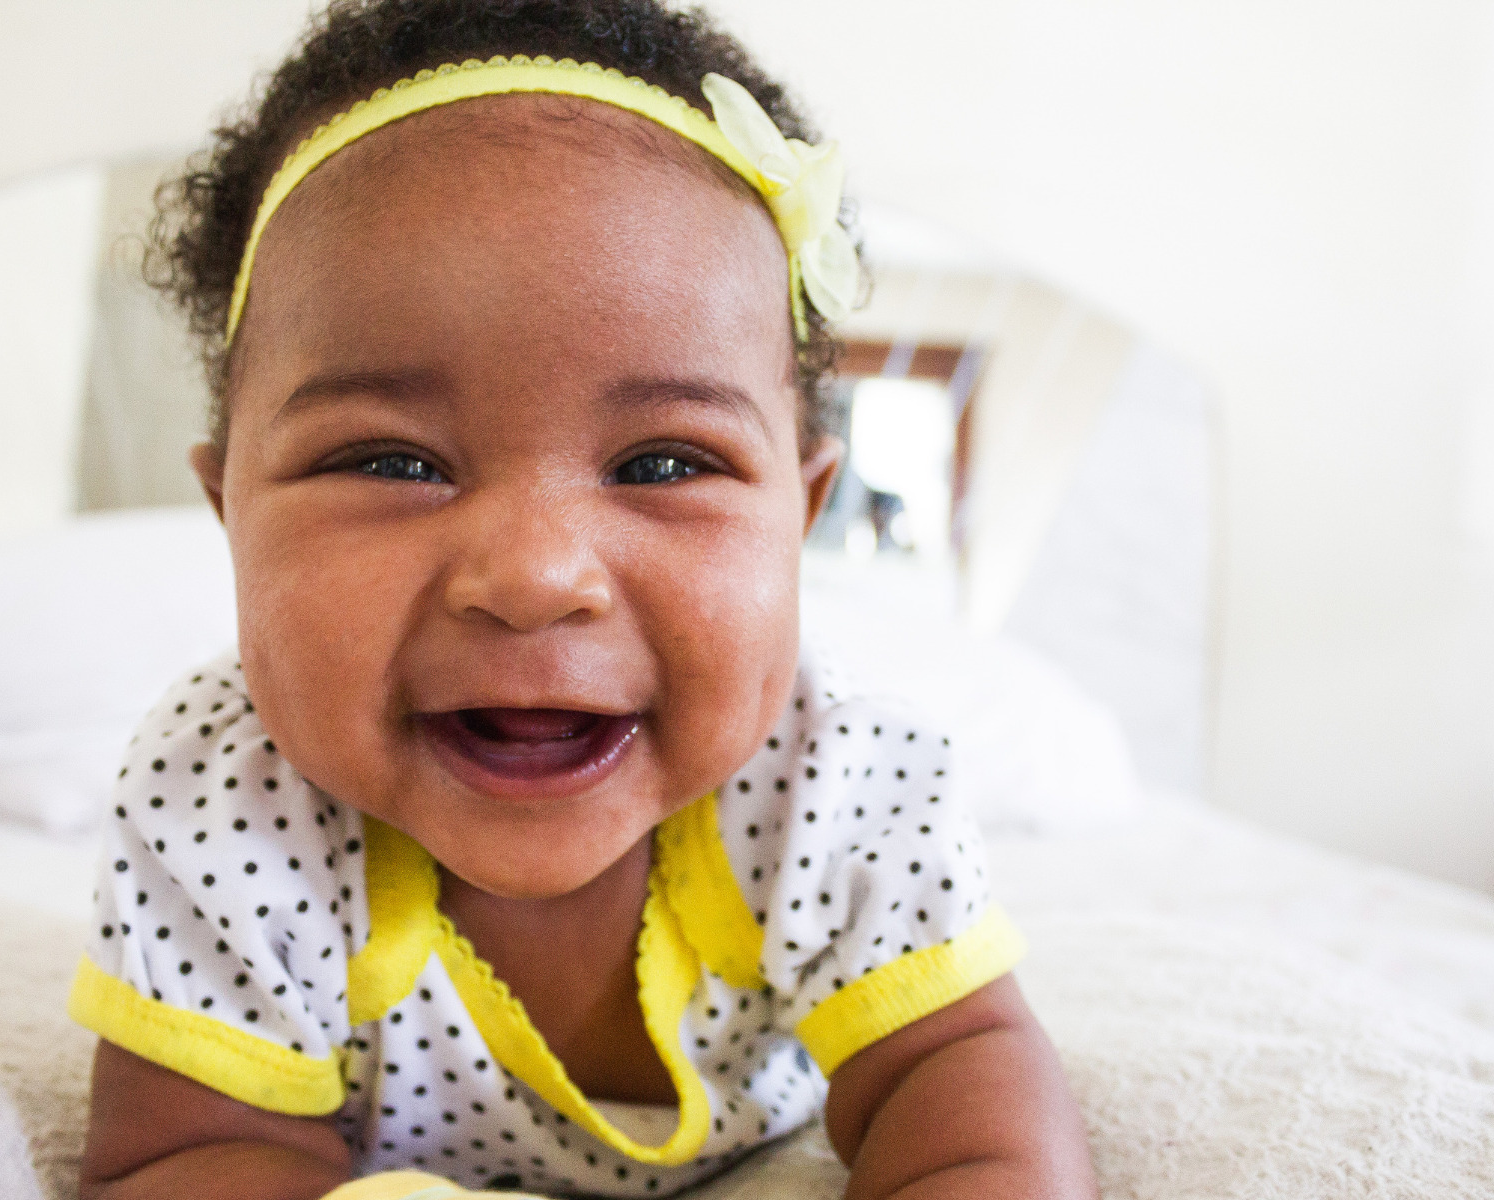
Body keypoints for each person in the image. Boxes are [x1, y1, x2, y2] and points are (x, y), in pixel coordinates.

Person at [69, 3, 1098, 1197]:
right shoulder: (224, 800)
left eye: (664, 463)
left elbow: (960, 1082)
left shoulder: (842, 778)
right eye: (394, 462)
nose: (533, 578)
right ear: (230, 510)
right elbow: (189, 1156)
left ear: (800, 518)